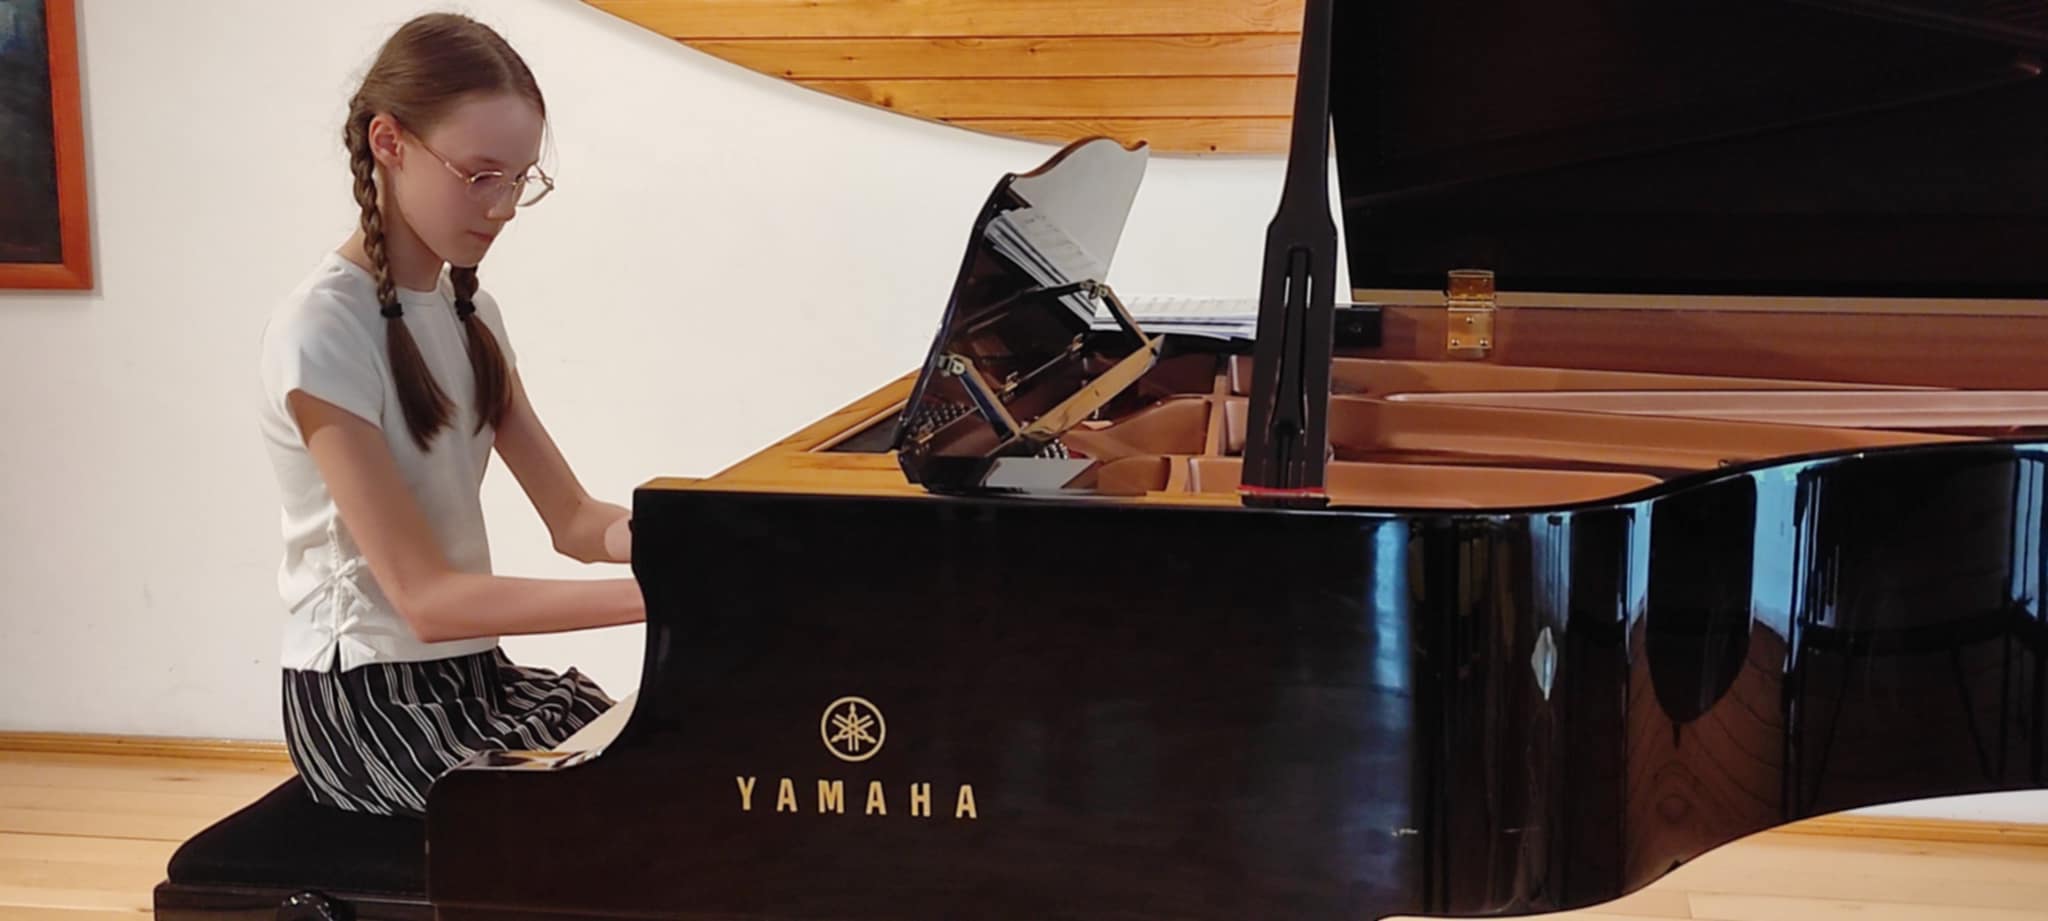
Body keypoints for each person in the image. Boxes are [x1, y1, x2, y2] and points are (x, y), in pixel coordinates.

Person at [254, 12, 642, 817]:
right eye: (480, 175)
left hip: (472, 676)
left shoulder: (471, 314)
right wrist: (666, 595)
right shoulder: (323, 329)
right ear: (389, 142)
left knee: (663, 766)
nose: (503, 207)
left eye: (520, 179)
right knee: (599, 818)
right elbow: (426, 601)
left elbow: (575, 520)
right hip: (368, 705)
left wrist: (712, 541)